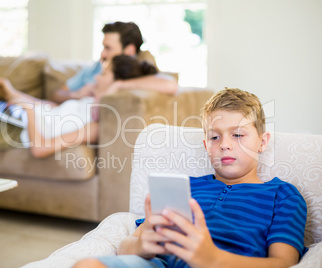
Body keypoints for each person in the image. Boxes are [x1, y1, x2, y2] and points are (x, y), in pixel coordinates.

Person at [73, 88, 308, 268]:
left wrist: (213, 258)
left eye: (237, 135)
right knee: (87, 265)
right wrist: (141, 246)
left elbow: (284, 263)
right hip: (160, 264)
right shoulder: (185, 188)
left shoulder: (283, 195)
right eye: (215, 137)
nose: (225, 145)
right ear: (206, 145)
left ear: (262, 142)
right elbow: (127, 246)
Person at [0, 55, 162, 158]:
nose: (96, 78)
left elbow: (41, 148)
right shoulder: (90, 102)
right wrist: (14, 94)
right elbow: (52, 108)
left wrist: (28, 110)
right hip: (13, 117)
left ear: (116, 83)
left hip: (2, 133)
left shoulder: (96, 124)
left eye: (103, 74)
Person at [50, 21, 177, 103]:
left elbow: (170, 84)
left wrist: (119, 84)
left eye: (108, 48)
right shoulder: (95, 67)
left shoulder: (133, 72)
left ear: (129, 50)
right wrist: (76, 95)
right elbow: (56, 95)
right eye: (103, 47)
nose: (102, 54)